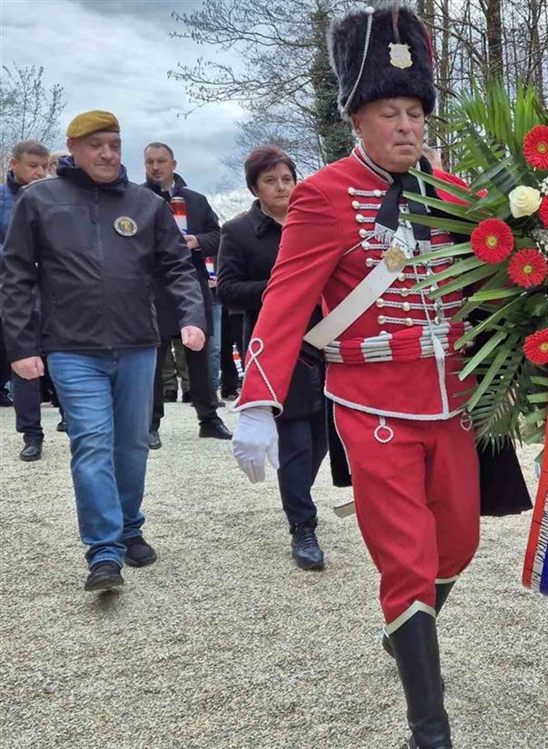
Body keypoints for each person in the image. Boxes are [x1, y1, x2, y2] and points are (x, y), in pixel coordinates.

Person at [230, 7, 487, 747]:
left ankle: (408, 629)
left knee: (458, 545)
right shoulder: (324, 194)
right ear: (356, 118)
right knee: (405, 558)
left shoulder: (461, 192)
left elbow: (494, 288)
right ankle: (427, 726)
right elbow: (283, 300)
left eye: (415, 111)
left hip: (455, 401)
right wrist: (258, 401)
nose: (407, 126)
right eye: (388, 112)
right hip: (372, 402)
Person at [0, 111, 206, 591]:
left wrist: (192, 316)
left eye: (114, 144)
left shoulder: (144, 203)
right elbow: (16, 274)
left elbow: (177, 264)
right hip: (72, 347)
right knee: (91, 443)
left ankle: (130, 527)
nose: (108, 154)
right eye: (96, 145)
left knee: (131, 444)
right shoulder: (40, 200)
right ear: (73, 147)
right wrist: (21, 345)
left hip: (138, 344)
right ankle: (104, 552)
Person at [217, 145, 330, 570]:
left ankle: (299, 494)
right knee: (295, 436)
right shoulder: (239, 230)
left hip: (325, 337)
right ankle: (303, 524)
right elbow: (227, 289)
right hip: (276, 344)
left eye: (287, 178)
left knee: (321, 437)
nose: (281, 187)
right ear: (254, 187)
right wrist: (283, 289)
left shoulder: (316, 221)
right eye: (271, 180)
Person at [142, 142, 231, 447]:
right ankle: (150, 424)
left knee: (201, 357)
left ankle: (209, 418)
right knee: (154, 359)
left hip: (192, 285)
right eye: (150, 162)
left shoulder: (195, 200)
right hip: (153, 288)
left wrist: (196, 241)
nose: (155, 167)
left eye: (161, 161)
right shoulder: (136, 198)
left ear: (173, 164)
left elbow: (218, 236)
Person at [0, 139, 54, 460]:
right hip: (16, 291)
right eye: (32, 166)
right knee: (24, 361)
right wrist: (19, 259)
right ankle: (31, 433)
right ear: (13, 164)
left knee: (66, 358)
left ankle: (74, 423)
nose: (38, 173)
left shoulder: (55, 198)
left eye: (43, 166)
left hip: (57, 292)